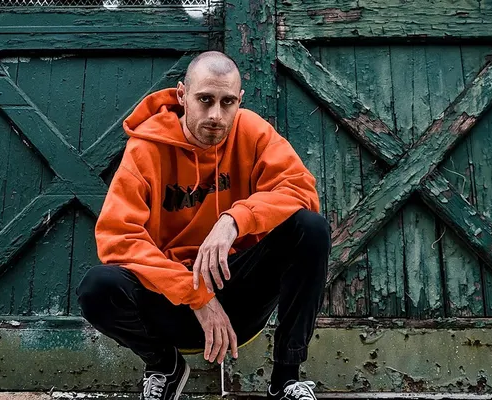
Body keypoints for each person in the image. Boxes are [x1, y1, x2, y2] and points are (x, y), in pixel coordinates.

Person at [76, 51, 331, 400]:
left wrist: (234, 220)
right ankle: (164, 365)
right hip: (173, 305)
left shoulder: (252, 131)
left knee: (310, 228)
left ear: (239, 100)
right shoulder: (145, 150)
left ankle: (285, 380)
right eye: (205, 100)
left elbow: (300, 189)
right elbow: (118, 237)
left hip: (238, 295)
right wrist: (195, 294)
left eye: (227, 102)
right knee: (97, 287)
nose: (216, 115)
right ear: (182, 95)